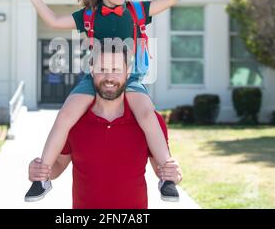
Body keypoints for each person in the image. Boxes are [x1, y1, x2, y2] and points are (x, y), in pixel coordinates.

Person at [22, 0, 190, 202]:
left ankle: (167, 177)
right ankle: (42, 177)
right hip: (95, 77)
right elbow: (54, 20)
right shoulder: (89, 16)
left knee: (147, 114)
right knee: (66, 114)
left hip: (129, 76)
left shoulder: (136, 11)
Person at [27, 46, 183, 208]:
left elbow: (161, 169)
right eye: (102, 69)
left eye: (116, 69)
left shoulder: (147, 119)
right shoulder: (74, 119)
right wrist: (42, 171)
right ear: (92, 71)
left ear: (128, 72)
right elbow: (59, 165)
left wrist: (175, 174)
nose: (109, 77)